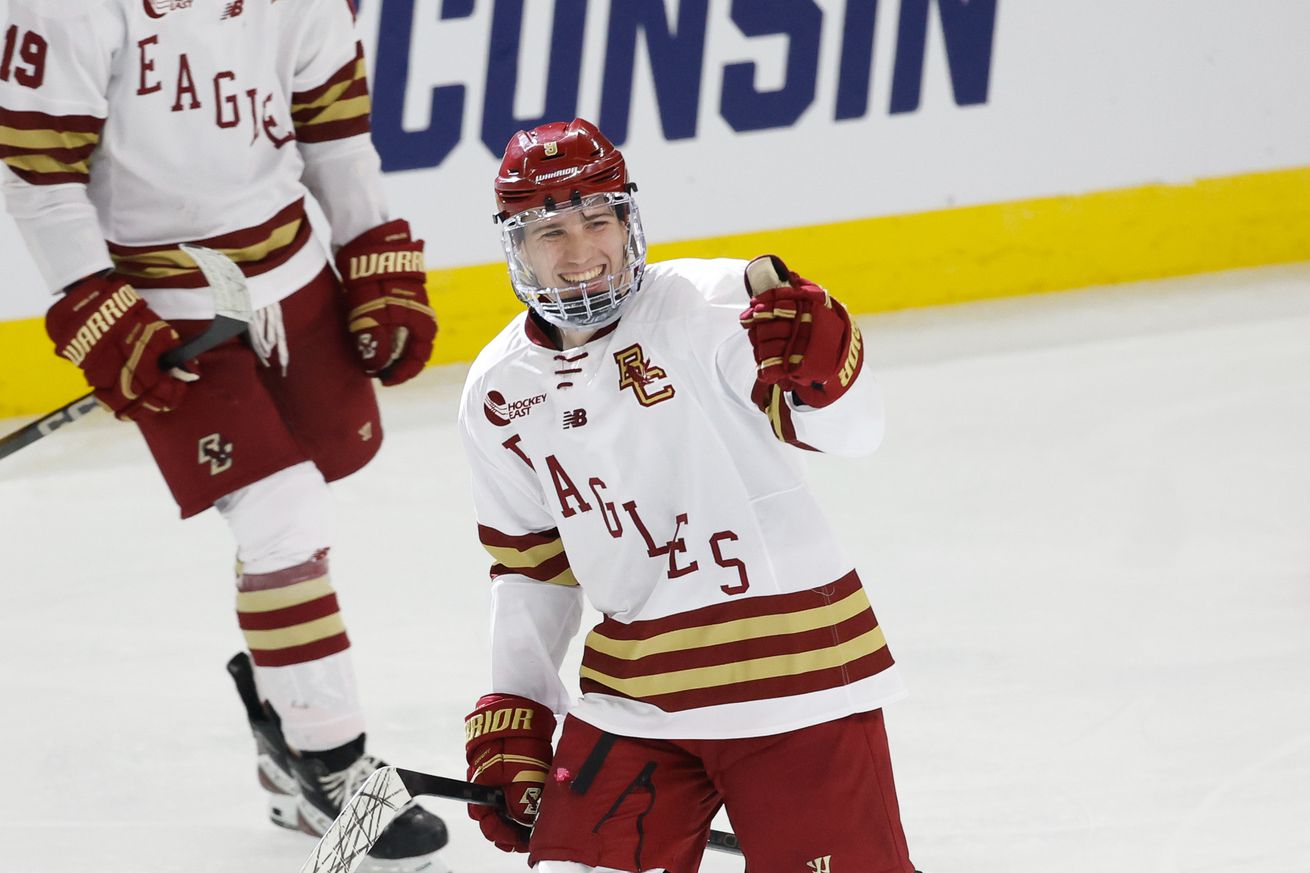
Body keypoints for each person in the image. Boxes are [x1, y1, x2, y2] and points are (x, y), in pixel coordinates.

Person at [0, 1, 448, 869]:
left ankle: (285, 735)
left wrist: (373, 251)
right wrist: (92, 299)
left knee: (312, 496)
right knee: (282, 513)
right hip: (163, 297)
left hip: (293, 273)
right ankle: (329, 763)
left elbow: (336, 135)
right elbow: (39, 174)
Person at [457, 117, 918, 873]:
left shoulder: (713, 307)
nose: (581, 255)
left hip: (793, 679)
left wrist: (831, 370)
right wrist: (523, 709)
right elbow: (532, 568)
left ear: (628, 220)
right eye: (551, 233)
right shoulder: (498, 390)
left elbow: (855, 434)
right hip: (635, 693)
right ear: (515, 247)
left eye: (597, 220)